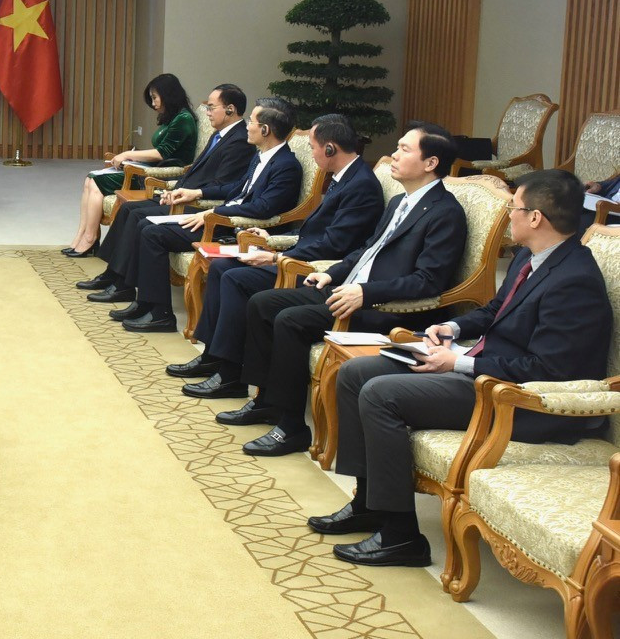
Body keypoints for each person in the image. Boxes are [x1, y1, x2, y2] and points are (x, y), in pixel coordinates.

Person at [311, 169, 613, 567]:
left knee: (381, 394)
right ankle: (368, 502)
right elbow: (493, 311)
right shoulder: (532, 255)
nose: (509, 216)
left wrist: (460, 363)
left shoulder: (575, 280)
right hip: (484, 370)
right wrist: (451, 327)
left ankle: (401, 536)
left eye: (514, 208)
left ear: (536, 217)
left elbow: (549, 369)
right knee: (356, 373)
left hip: (519, 401)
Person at [222, 123, 469, 456]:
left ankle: (291, 427)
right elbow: (368, 248)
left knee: (290, 320)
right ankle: (266, 401)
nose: (393, 155)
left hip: (386, 309)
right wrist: (334, 273)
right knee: (263, 303)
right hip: (350, 291)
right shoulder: (400, 201)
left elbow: (428, 281)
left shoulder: (445, 212)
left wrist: (366, 292)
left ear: (430, 163)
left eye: (404, 150)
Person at [171, 114, 383, 391]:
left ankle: (230, 374)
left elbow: (334, 244)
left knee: (236, 278)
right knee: (222, 266)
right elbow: (315, 232)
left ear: (330, 149)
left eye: (313, 145)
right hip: (300, 254)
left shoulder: (361, 184)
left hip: (314, 268)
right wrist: (274, 238)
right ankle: (215, 357)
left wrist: (275, 256)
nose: (311, 152)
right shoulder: (345, 177)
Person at [110, 98, 303, 334]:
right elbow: (235, 190)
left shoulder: (286, 165)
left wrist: (215, 212)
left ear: (265, 130)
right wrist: (197, 192)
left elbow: (262, 208)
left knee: (153, 233)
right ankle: (145, 303)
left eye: (251, 121)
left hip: (232, 227)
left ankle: (160, 314)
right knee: (145, 226)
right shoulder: (260, 156)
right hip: (222, 217)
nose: (247, 126)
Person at [77, 84, 252, 304]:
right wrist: (175, 187)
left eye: (211, 107)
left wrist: (190, 192)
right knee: (128, 208)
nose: (207, 113)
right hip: (183, 195)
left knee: (137, 216)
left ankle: (122, 285)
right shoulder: (221, 135)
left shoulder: (239, 142)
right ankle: (114, 275)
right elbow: (195, 170)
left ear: (230, 109)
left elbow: (226, 184)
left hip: (199, 206)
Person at [63, 73, 196, 258]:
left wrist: (127, 154)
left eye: (155, 98)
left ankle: (90, 238)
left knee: (96, 182)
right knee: (89, 179)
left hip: (161, 175)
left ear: (168, 95)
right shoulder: (174, 117)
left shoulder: (183, 119)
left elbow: (162, 153)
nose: (153, 103)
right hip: (154, 168)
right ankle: (81, 236)